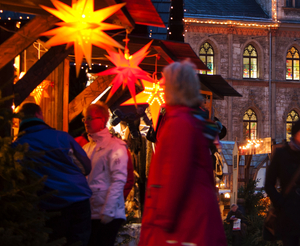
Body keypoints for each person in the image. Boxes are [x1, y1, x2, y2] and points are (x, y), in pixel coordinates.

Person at [138, 61, 227, 246]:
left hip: (183, 222)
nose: (163, 90)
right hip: (194, 214)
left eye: (166, 85)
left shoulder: (179, 123)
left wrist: (163, 218)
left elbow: (175, 173)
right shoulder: (192, 119)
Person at [13, 102, 92, 246]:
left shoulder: (17, 146)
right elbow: (85, 167)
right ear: (39, 115)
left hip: (48, 204)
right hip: (78, 199)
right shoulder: (61, 137)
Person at [264, 118, 300, 246]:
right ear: (296, 133)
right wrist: (280, 203)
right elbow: (269, 184)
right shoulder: (281, 154)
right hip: (288, 213)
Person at [82, 102, 129, 246]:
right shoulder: (87, 148)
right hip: (92, 212)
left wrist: (108, 211)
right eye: (85, 118)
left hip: (107, 214)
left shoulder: (115, 146)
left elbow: (119, 179)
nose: (86, 122)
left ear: (102, 119)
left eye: (90, 118)